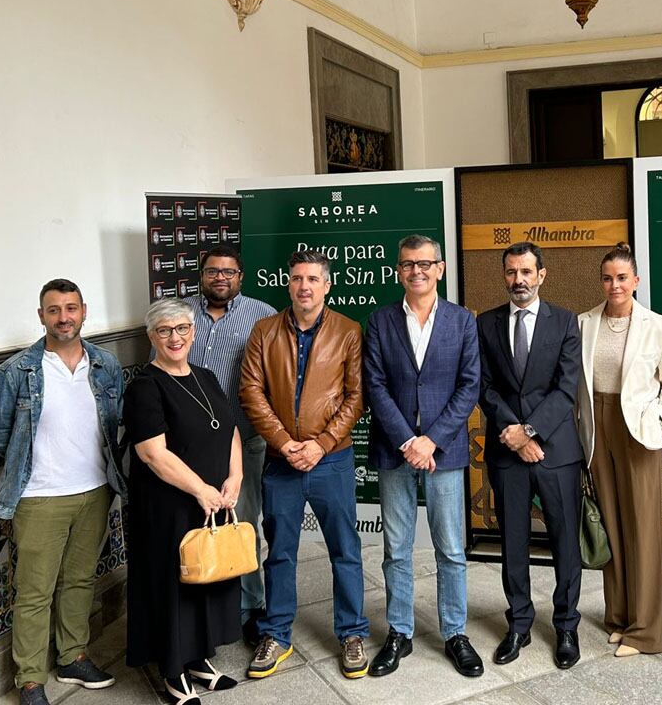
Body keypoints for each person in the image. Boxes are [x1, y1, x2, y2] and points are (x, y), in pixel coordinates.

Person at [0, 278, 124, 705]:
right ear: (41, 316)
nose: (64, 317)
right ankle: (30, 680)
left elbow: (113, 422)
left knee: (80, 579)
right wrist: (32, 460)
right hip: (39, 496)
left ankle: (73, 656)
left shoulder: (104, 364)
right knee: (35, 591)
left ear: (84, 312)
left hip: (95, 489)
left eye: (71, 308)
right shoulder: (17, 370)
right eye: (54, 310)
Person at [240, 249, 369, 680]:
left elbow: (356, 397)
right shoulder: (264, 331)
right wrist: (284, 442)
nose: (304, 286)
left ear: (327, 284)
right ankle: (276, 634)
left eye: (313, 278)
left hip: (331, 460)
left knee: (345, 551)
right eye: (297, 278)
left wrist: (321, 444)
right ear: (288, 283)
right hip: (281, 462)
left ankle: (351, 632)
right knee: (278, 553)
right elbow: (252, 391)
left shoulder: (349, 331)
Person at [363, 235, 484, 678]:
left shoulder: (461, 321)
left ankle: (455, 632)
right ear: (399, 270)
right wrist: (407, 441)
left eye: (425, 263)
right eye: (408, 264)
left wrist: (430, 440)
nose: (417, 271)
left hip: (443, 451)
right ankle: (399, 632)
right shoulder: (378, 321)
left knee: (450, 549)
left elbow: (469, 386)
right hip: (395, 451)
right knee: (396, 549)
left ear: (441, 268)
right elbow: (374, 386)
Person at [124, 298, 245, 705]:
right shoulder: (145, 386)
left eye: (181, 329)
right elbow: (153, 454)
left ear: (193, 333)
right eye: (164, 331)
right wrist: (200, 489)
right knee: (171, 585)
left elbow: (228, 429)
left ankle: (197, 657)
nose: (175, 338)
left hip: (209, 499)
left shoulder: (207, 376)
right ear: (151, 337)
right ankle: (172, 669)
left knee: (204, 579)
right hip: (168, 505)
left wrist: (235, 478)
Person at [477, 241, 584, 670]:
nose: (517, 280)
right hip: (507, 451)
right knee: (513, 543)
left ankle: (566, 625)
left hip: (555, 451)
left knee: (564, 542)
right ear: (504, 276)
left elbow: (566, 388)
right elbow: (483, 386)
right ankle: (519, 623)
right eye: (510, 272)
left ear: (542, 274)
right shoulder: (485, 324)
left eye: (525, 272)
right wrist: (515, 435)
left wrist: (531, 431)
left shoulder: (565, 322)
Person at [575, 243, 662, 657]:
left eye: (622, 277)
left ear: (636, 281)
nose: (614, 285)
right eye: (607, 278)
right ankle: (619, 618)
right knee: (612, 525)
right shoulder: (584, 323)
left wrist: (658, 421)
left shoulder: (659, 326)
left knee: (644, 530)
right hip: (598, 428)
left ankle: (647, 631)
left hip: (638, 431)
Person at [183, 244, 277, 643]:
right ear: (201, 276)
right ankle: (199, 606)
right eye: (212, 271)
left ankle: (250, 607)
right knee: (196, 526)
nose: (220, 277)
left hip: (246, 440)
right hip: (188, 444)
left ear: (241, 277)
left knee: (243, 523)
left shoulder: (263, 316)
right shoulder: (180, 315)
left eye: (228, 272)